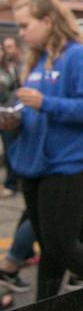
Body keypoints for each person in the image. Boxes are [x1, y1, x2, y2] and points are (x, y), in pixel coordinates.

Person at [2, 0, 83, 299]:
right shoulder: (35, 61)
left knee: (64, 246)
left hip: (67, 165)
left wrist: (45, 102)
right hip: (36, 164)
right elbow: (33, 111)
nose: (20, 33)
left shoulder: (79, 56)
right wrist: (15, 119)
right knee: (50, 249)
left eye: (25, 26)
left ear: (48, 21)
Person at [0, 36, 21, 197]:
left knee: (10, 149)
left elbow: (16, 90)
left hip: (7, 114)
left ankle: (11, 182)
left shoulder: (12, 68)